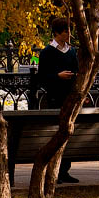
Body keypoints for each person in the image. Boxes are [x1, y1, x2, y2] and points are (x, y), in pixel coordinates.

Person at [37, 17, 79, 183]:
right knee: (57, 133)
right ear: (57, 33)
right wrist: (57, 76)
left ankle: (65, 170)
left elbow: (77, 71)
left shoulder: (71, 51)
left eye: (69, 30)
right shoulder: (47, 52)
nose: (69, 34)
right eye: (65, 31)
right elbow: (42, 77)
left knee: (68, 133)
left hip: (70, 96)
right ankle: (55, 171)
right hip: (55, 97)